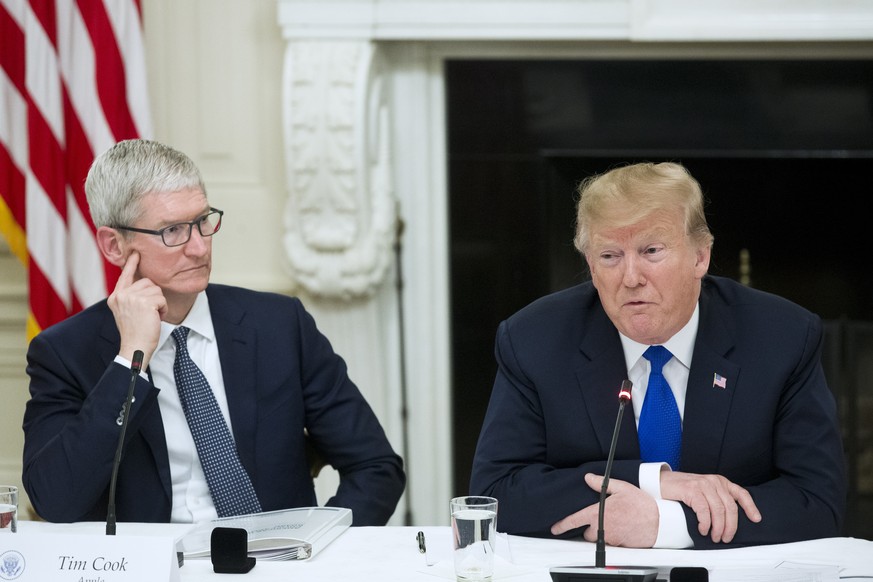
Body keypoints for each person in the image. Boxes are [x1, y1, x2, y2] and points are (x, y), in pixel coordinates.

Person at [22, 139, 405, 526]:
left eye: (203, 221)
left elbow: (375, 467)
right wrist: (130, 359)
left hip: (275, 564)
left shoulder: (278, 326)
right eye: (172, 231)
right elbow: (55, 501)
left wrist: (316, 548)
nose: (199, 247)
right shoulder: (65, 353)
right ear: (114, 245)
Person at [469, 161, 846, 549]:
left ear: (700, 257)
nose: (630, 277)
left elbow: (817, 502)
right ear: (590, 267)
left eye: (651, 250)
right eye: (610, 256)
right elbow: (495, 494)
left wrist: (666, 524)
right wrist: (654, 481)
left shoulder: (781, 336)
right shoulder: (535, 339)